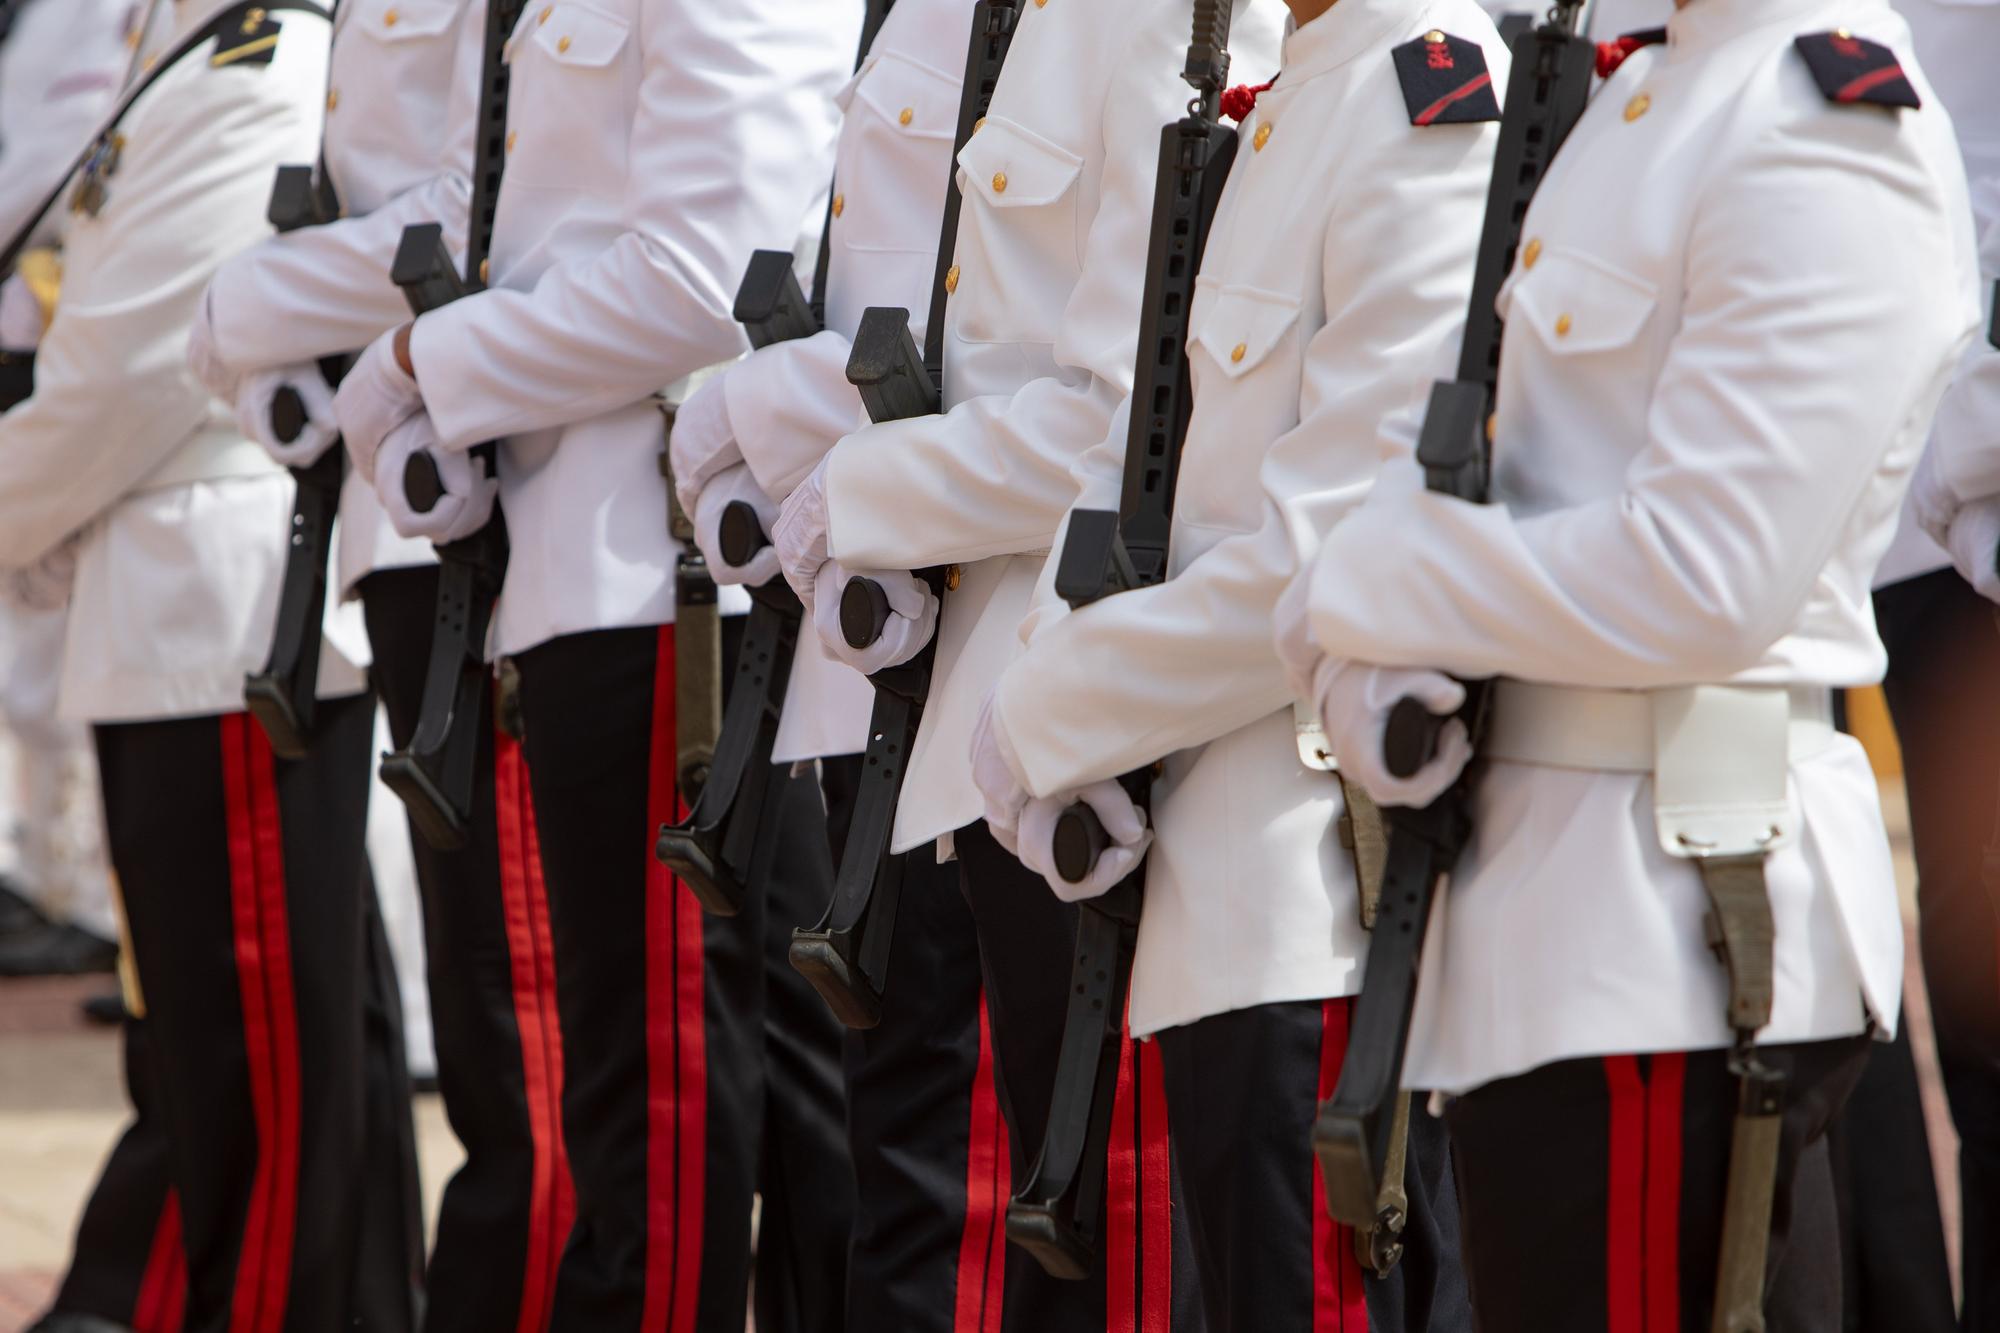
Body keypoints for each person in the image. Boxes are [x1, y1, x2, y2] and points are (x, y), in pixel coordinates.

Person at [1276, 0, 1978, 1328]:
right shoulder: (1641, 89)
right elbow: (1518, 479)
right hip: (1547, 938)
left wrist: (1372, 580)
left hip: (1677, 932)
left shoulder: (1826, 120)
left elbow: (1708, 574)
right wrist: (1379, 663)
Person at [330, 1, 864, 1326]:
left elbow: (704, 278)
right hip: (581, 570)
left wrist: (426, 362)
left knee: (665, 1094)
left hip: (666, 580)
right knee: (670, 1085)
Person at [965, 0, 1497, 1325]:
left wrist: (1051, 706)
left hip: (1313, 899)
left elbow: (1330, 551)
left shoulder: (1421, 94)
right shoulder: (1280, 92)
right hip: (1197, 905)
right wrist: (1049, 670)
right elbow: (1143, 469)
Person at [766, 0, 1283, 1322]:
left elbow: (1128, 423)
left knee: (1106, 1255)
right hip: (979, 716)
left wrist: (870, 487)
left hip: (1107, 727)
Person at [0, 1, 427, 1328]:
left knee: (261, 1097)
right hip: (176, 617)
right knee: (239, 1071)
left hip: (229, 624)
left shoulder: (258, 63)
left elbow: (118, 381)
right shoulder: (193, 37)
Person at [188, 2, 581, 1325]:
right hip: (412, 508)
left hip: (508, 514)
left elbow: (491, 201)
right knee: (488, 1028)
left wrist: (250, 300)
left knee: (526, 1032)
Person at [665, 1, 1022, 1326]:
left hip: (995, 656)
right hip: (865, 641)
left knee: (963, 1192)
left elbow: (1018, 344)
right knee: (893, 1161)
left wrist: (754, 409)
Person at [0, 0, 130, 980]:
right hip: (32, 316)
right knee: (32, 635)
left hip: (68, 322)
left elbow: (57, 165)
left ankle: (87, 894)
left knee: (64, 630)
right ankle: (57, 880)